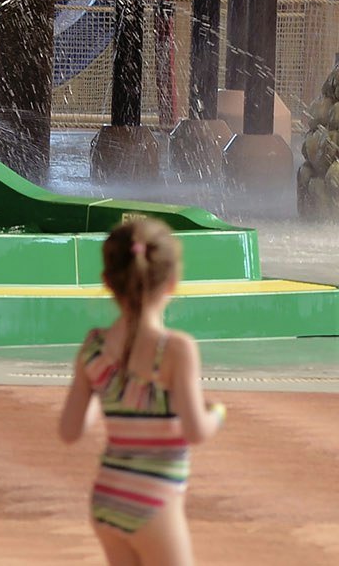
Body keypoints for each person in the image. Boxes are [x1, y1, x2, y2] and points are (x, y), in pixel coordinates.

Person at [59, 214, 226, 564]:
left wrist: (101, 392)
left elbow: (70, 430)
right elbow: (195, 430)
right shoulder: (175, 350)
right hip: (154, 500)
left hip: (107, 498)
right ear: (172, 282)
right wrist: (217, 414)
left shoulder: (94, 347)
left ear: (107, 281)